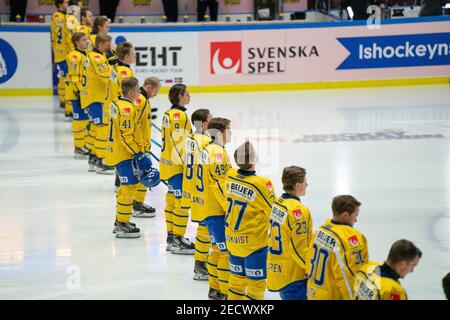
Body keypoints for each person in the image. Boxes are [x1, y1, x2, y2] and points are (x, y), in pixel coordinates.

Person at [225, 141, 275, 301]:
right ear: (254, 160)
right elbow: (273, 211)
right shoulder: (262, 184)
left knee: (236, 282)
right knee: (256, 285)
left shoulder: (230, 175)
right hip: (254, 244)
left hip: (232, 241)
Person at [110, 77, 157, 238]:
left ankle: (122, 220)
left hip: (120, 152)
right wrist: (138, 153)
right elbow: (126, 136)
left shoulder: (118, 103)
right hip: (125, 154)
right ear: (130, 92)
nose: (139, 93)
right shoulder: (126, 109)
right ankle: (121, 223)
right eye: (137, 90)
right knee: (128, 188)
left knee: (128, 187)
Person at [307, 195, 369, 300]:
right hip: (332, 296)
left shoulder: (320, 231)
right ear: (345, 215)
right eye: (355, 216)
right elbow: (349, 276)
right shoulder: (350, 239)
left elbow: (308, 260)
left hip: (313, 293)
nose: (356, 220)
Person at [197, 117, 232, 299]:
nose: (231, 133)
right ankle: (224, 292)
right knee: (225, 251)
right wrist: (229, 208)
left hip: (208, 208)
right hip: (218, 210)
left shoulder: (207, 149)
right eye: (229, 129)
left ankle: (214, 288)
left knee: (217, 249)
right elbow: (217, 184)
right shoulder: (218, 153)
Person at [267, 166, 312, 300]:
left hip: (278, 271)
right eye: (305, 181)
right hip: (294, 275)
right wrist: (312, 269)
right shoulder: (299, 211)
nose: (307, 184)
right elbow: (300, 248)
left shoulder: (277, 203)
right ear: (297, 185)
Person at [160, 84, 195, 254]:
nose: (190, 97)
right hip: (177, 167)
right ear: (180, 96)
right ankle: (178, 239)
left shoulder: (169, 113)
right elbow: (178, 143)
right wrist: (188, 165)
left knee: (172, 201)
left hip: (167, 164)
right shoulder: (178, 116)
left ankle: (172, 236)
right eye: (187, 94)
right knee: (181, 203)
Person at [182, 109, 213, 281]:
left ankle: (201, 263)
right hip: (204, 192)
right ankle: (201, 264)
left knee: (204, 228)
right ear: (205, 123)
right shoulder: (207, 142)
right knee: (206, 229)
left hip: (193, 188)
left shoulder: (190, 139)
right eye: (211, 118)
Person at [80, 33, 115, 175]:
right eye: (107, 45)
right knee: (102, 127)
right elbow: (106, 76)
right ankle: (102, 161)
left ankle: (93, 158)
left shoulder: (91, 55)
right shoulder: (98, 58)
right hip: (97, 99)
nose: (109, 48)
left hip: (90, 97)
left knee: (95, 128)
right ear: (100, 45)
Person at [130, 77, 161, 218]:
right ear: (149, 87)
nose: (156, 94)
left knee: (141, 175)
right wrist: (139, 148)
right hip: (139, 146)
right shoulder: (141, 100)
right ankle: (137, 205)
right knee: (143, 175)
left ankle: (137, 203)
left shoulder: (143, 99)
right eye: (155, 91)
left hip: (142, 144)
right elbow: (133, 123)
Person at [353, 239, 422, 300]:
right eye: (413, 265)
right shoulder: (393, 291)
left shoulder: (366, 268)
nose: (412, 270)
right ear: (402, 264)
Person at [66, 32, 90, 159]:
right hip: (77, 93)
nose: (87, 42)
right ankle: (78, 147)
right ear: (77, 42)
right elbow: (74, 77)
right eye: (84, 40)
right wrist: (80, 92)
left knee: (85, 120)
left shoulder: (85, 54)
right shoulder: (74, 56)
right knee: (79, 121)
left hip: (84, 93)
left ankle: (83, 145)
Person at [62, 0, 82, 120]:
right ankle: (70, 109)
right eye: (78, 7)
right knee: (74, 80)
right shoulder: (71, 19)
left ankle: (70, 109)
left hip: (70, 54)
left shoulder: (68, 18)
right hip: (73, 55)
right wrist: (76, 53)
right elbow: (72, 39)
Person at [51, 0, 69, 111]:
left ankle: (63, 101)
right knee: (66, 77)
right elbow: (62, 34)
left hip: (63, 51)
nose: (68, 5)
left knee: (63, 77)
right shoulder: (58, 16)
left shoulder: (62, 16)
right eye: (66, 2)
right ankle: (66, 102)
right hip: (62, 51)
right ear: (60, 4)